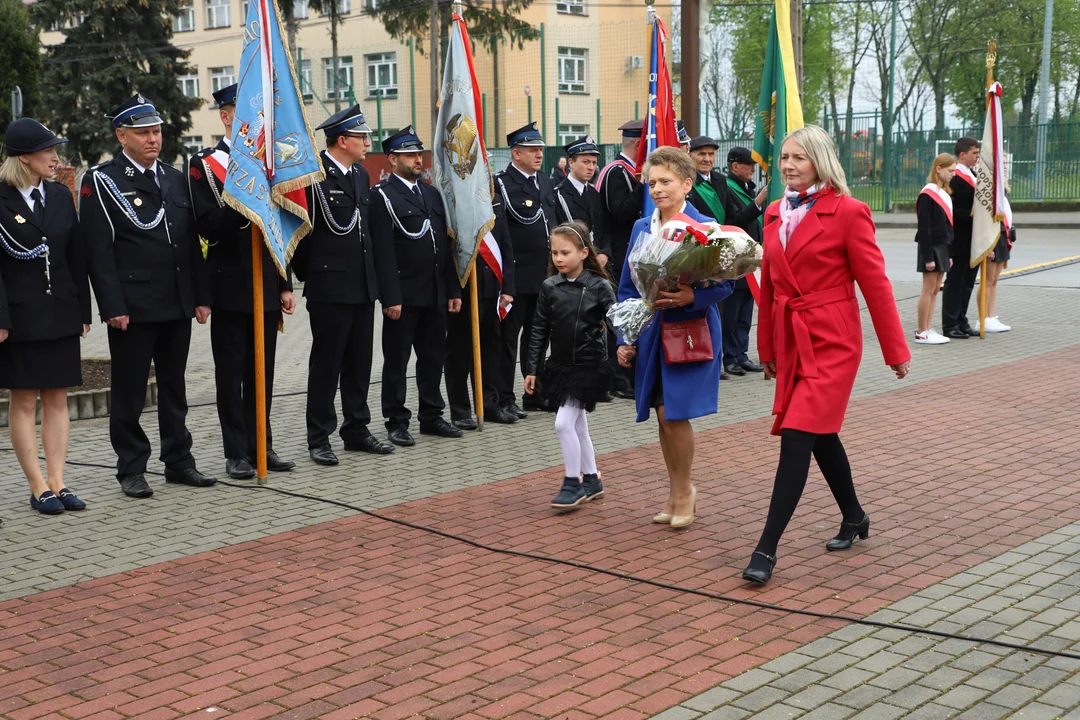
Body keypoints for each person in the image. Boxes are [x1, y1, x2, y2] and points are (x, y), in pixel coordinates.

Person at [743, 125, 910, 586]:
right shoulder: (775, 212)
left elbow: (875, 284)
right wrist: (768, 348)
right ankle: (854, 516)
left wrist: (895, 350)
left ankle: (766, 549)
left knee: (797, 435)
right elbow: (772, 287)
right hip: (793, 338)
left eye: (799, 158)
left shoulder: (850, 212)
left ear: (820, 160)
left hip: (833, 341)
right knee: (819, 435)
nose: (789, 166)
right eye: (784, 159)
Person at [82, 93, 216, 498]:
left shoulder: (175, 178)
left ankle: (178, 461)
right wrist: (112, 306)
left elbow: (190, 244)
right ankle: (132, 468)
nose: (153, 139)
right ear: (122, 135)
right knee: (130, 392)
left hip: (176, 303)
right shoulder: (102, 181)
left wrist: (200, 295)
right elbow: (98, 250)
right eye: (143, 133)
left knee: (175, 388)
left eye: (156, 131)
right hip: (134, 307)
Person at [616, 147, 734, 529]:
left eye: (665, 181)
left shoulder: (705, 225)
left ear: (686, 183)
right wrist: (624, 335)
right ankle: (675, 491)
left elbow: (729, 285)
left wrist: (692, 296)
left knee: (673, 412)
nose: (657, 189)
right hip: (650, 333)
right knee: (660, 416)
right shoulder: (640, 228)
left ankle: (685, 492)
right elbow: (625, 288)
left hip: (689, 332)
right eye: (651, 182)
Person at [189, 83, 297, 479]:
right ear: (226, 116)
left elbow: (277, 230)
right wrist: (242, 205)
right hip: (230, 285)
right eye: (243, 112)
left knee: (262, 373)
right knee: (231, 376)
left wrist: (284, 282)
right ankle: (236, 451)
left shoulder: (269, 164)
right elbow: (206, 226)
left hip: (266, 286)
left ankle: (261, 445)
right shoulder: (204, 165)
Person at [292, 105, 399, 466]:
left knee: (359, 364)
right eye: (362, 137)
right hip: (329, 288)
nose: (368, 142)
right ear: (342, 140)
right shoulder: (312, 176)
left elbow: (366, 234)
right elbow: (300, 235)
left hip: (361, 287)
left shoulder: (358, 175)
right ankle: (318, 437)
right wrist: (316, 275)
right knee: (327, 365)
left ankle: (356, 430)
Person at [0, 119, 91, 515]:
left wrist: (84, 310)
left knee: (57, 397)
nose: (56, 158)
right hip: (19, 317)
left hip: (61, 311)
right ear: (25, 158)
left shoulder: (58, 196)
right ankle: (37, 487)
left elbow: (75, 257)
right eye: (47, 151)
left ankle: (58, 481)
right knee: (23, 400)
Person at [371, 126, 463, 446]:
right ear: (392, 159)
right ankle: (396, 420)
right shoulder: (381, 196)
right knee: (396, 361)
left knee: (432, 357)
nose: (418, 160)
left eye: (420, 154)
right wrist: (390, 297)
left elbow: (444, 246)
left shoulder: (431, 194)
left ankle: (431, 415)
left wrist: (452, 289)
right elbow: (382, 252)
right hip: (404, 296)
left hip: (435, 292)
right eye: (410, 155)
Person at [525, 221, 616, 509]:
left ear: (584, 252)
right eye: (554, 253)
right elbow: (538, 330)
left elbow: (617, 323)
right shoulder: (549, 287)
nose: (559, 259)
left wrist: (629, 345)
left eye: (565, 252)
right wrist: (532, 369)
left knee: (563, 423)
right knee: (578, 425)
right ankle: (591, 479)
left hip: (589, 367)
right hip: (560, 366)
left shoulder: (599, 286)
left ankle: (571, 483)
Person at [494, 122, 555, 415]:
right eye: (532, 149)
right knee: (507, 340)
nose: (539, 154)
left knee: (537, 337)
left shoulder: (544, 181)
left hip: (543, 275)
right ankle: (504, 398)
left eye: (540, 149)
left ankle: (535, 392)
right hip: (516, 276)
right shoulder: (502, 184)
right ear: (516, 153)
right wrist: (507, 281)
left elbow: (552, 226)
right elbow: (501, 236)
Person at [444, 184, 518, 428]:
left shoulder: (493, 201)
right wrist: (454, 290)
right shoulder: (453, 201)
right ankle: (461, 409)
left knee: (491, 350)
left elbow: (506, 247)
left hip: (491, 288)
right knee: (460, 352)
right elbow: (450, 252)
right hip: (465, 290)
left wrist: (508, 288)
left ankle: (488, 403)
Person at [595, 119, 645, 400]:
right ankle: (619, 378)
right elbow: (622, 213)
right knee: (621, 317)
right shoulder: (616, 172)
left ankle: (629, 374)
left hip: (633, 255)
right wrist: (642, 184)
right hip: (619, 257)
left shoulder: (628, 172)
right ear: (640, 145)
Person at [941, 137, 981, 339]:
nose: (978, 156)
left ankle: (961, 320)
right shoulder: (955, 178)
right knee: (955, 281)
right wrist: (974, 214)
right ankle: (950, 323)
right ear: (962, 154)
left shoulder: (974, 175)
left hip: (974, 237)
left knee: (968, 280)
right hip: (959, 237)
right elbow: (952, 208)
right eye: (974, 152)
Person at [914, 153, 956, 345]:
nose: (953, 174)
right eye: (950, 171)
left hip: (943, 247)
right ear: (938, 169)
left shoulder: (944, 193)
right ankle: (922, 331)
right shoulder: (927, 194)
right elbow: (924, 228)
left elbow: (948, 226)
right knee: (928, 290)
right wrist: (929, 256)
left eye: (954, 171)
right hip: (930, 248)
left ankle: (929, 328)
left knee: (935, 290)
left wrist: (950, 254)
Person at [981, 187, 1013, 333]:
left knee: (994, 281)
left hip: (1003, 235)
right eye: (1003, 163)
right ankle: (983, 318)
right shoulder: (990, 187)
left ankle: (990, 315)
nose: (1005, 165)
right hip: (993, 236)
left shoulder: (1004, 189)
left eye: (1006, 163)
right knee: (987, 281)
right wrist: (988, 245)